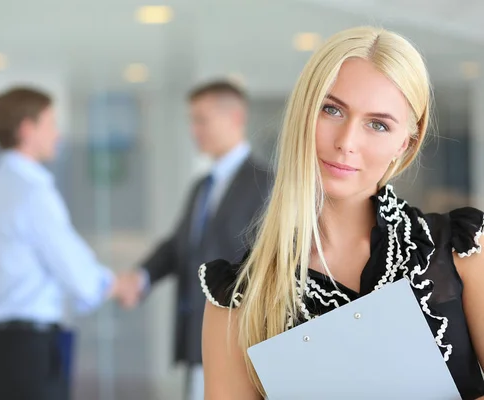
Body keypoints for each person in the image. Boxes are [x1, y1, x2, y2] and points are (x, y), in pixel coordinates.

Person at [199, 26, 484, 400]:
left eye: (378, 124)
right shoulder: (236, 300)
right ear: (304, 111)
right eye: (331, 109)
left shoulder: (462, 252)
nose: (346, 143)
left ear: (406, 143)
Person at [115, 80, 272, 400]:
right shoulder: (203, 186)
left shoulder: (267, 184)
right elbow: (180, 247)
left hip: (239, 342)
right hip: (197, 340)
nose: (194, 130)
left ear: (235, 118)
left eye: (202, 120)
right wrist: (141, 277)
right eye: (192, 120)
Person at [0, 86, 117, 400]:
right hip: (28, 351)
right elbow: (78, 275)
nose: (57, 134)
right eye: (50, 124)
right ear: (27, 129)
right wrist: (116, 284)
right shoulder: (33, 192)